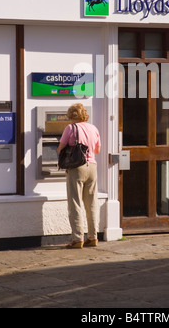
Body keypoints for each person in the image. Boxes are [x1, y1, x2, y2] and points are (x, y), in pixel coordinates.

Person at [57, 103, 101, 249]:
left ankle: (77, 239)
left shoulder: (71, 128)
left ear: (71, 115)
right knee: (92, 203)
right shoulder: (93, 128)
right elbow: (97, 149)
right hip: (92, 167)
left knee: (74, 203)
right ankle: (93, 237)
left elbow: (60, 148)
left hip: (77, 168)